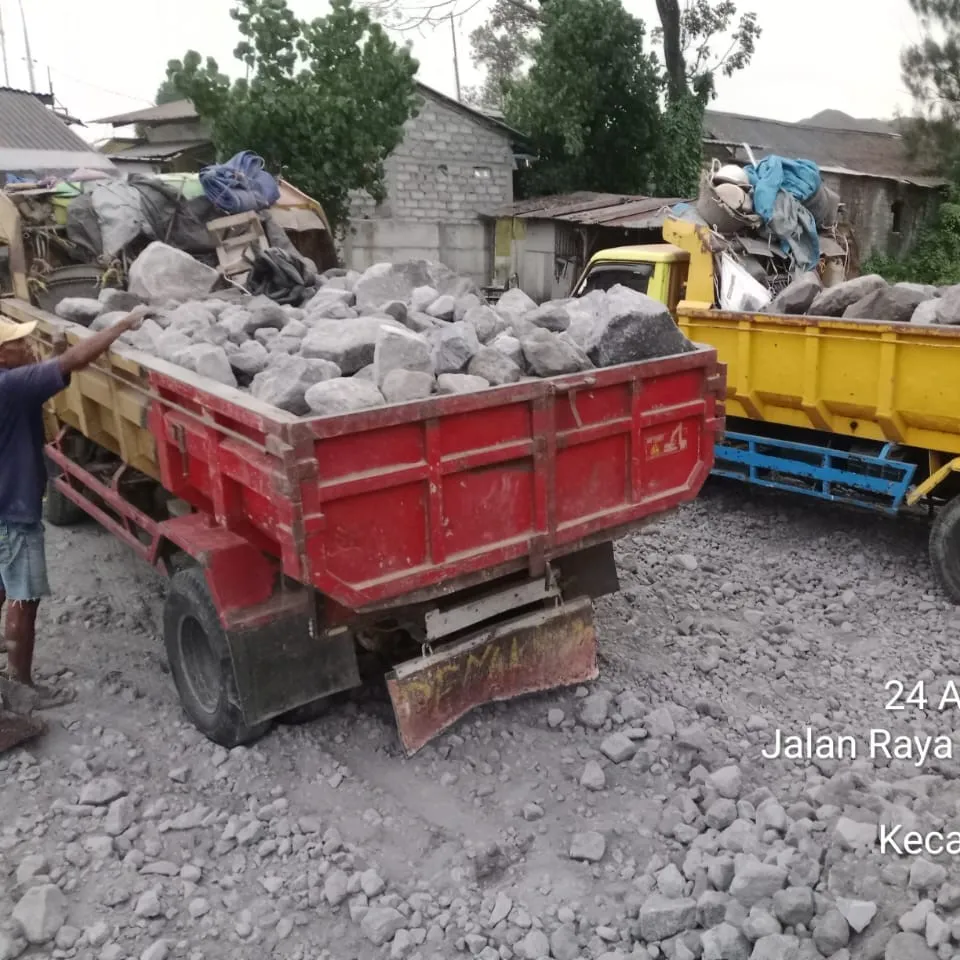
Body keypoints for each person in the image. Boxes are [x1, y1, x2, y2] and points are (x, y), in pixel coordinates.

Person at [0, 306, 148, 708]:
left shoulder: (11, 383)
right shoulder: (10, 387)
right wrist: (122, 324)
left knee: (2, 582)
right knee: (23, 596)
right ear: (1, 357)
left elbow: (53, 370)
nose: (25, 344)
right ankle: (20, 687)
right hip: (12, 509)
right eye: (17, 343)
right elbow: (74, 362)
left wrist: (53, 354)